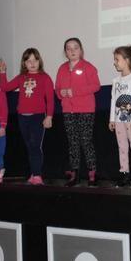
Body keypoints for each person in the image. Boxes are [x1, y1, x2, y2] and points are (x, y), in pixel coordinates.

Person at [0, 48, 55, 185]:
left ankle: (37, 175)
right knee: (29, 146)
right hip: (23, 117)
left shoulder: (45, 77)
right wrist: (2, 72)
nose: (32, 63)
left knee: (35, 145)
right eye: (29, 61)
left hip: (38, 117)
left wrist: (49, 116)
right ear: (24, 63)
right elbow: (5, 88)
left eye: (35, 60)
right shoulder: (21, 77)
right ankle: (33, 173)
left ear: (39, 61)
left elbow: (50, 99)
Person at [55, 38, 101, 187]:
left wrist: (74, 91)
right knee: (73, 142)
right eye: (69, 48)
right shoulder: (62, 68)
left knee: (86, 141)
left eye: (75, 47)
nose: (72, 51)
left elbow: (96, 86)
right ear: (65, 52)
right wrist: (61, 93)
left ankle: (92, 173)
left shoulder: (88, 67)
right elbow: (57, 89)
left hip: (86, 110)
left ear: (81, 50)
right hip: (68, 111)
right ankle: (75, 174)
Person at [109, 45, 131, 187]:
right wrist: (112, 119)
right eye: (114, 59)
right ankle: (124, 172)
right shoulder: (116, 81)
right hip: (118, 120)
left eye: (117, 59)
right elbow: (113, 100)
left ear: (127, 60)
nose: (115, 62)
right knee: (122, 147)